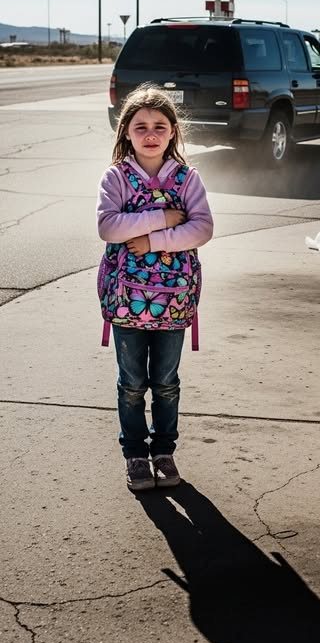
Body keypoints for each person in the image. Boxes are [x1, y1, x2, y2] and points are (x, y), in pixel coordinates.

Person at [97, 84, 213, 492]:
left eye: (159, 126)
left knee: (166, 383)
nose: (150, 134)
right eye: (141, 126)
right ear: (126, 132)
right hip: (126, 301)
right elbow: (108, 226)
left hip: (174, 301)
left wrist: (153, 242)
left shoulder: (187, 178)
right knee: (131, 384)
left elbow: (202, 228)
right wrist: (163, 217)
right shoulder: (116, 177)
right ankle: (135, 455)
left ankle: (163, 451)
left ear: (173, 131)